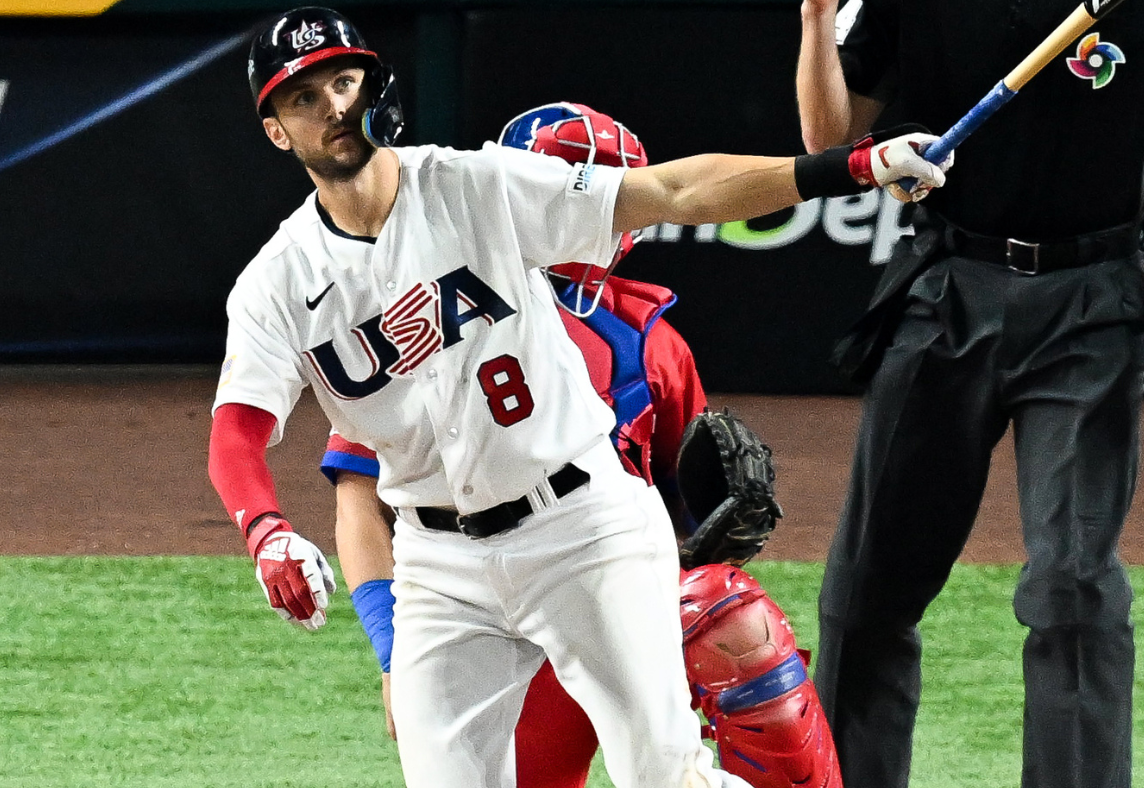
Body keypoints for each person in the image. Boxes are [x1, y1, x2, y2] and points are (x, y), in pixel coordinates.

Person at [208, 7, 947, 786]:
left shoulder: (474, 185)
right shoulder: (277, 282)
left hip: (581, 528)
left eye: (345, 81)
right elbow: (237, 430)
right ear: (277, 132)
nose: (332, 107)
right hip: (439, 566)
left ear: (376, 86)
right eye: (303, 98)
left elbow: (671, 190)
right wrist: (264, 529)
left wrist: (850, 168)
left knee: (662, 773)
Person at [323, 102, 844, 788]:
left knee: (728, 615)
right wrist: (393, 653)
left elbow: (679, 513)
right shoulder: (424, 316)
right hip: (487, 613)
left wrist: (708, 547)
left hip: (603, 594)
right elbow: (361, 499)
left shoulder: (652, 342)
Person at [796, 2, 1144, 787]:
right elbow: (830, 138)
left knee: (1074, 588)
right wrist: (817, 18)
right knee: (865, 592)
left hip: (1093, 308)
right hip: (946, 290)